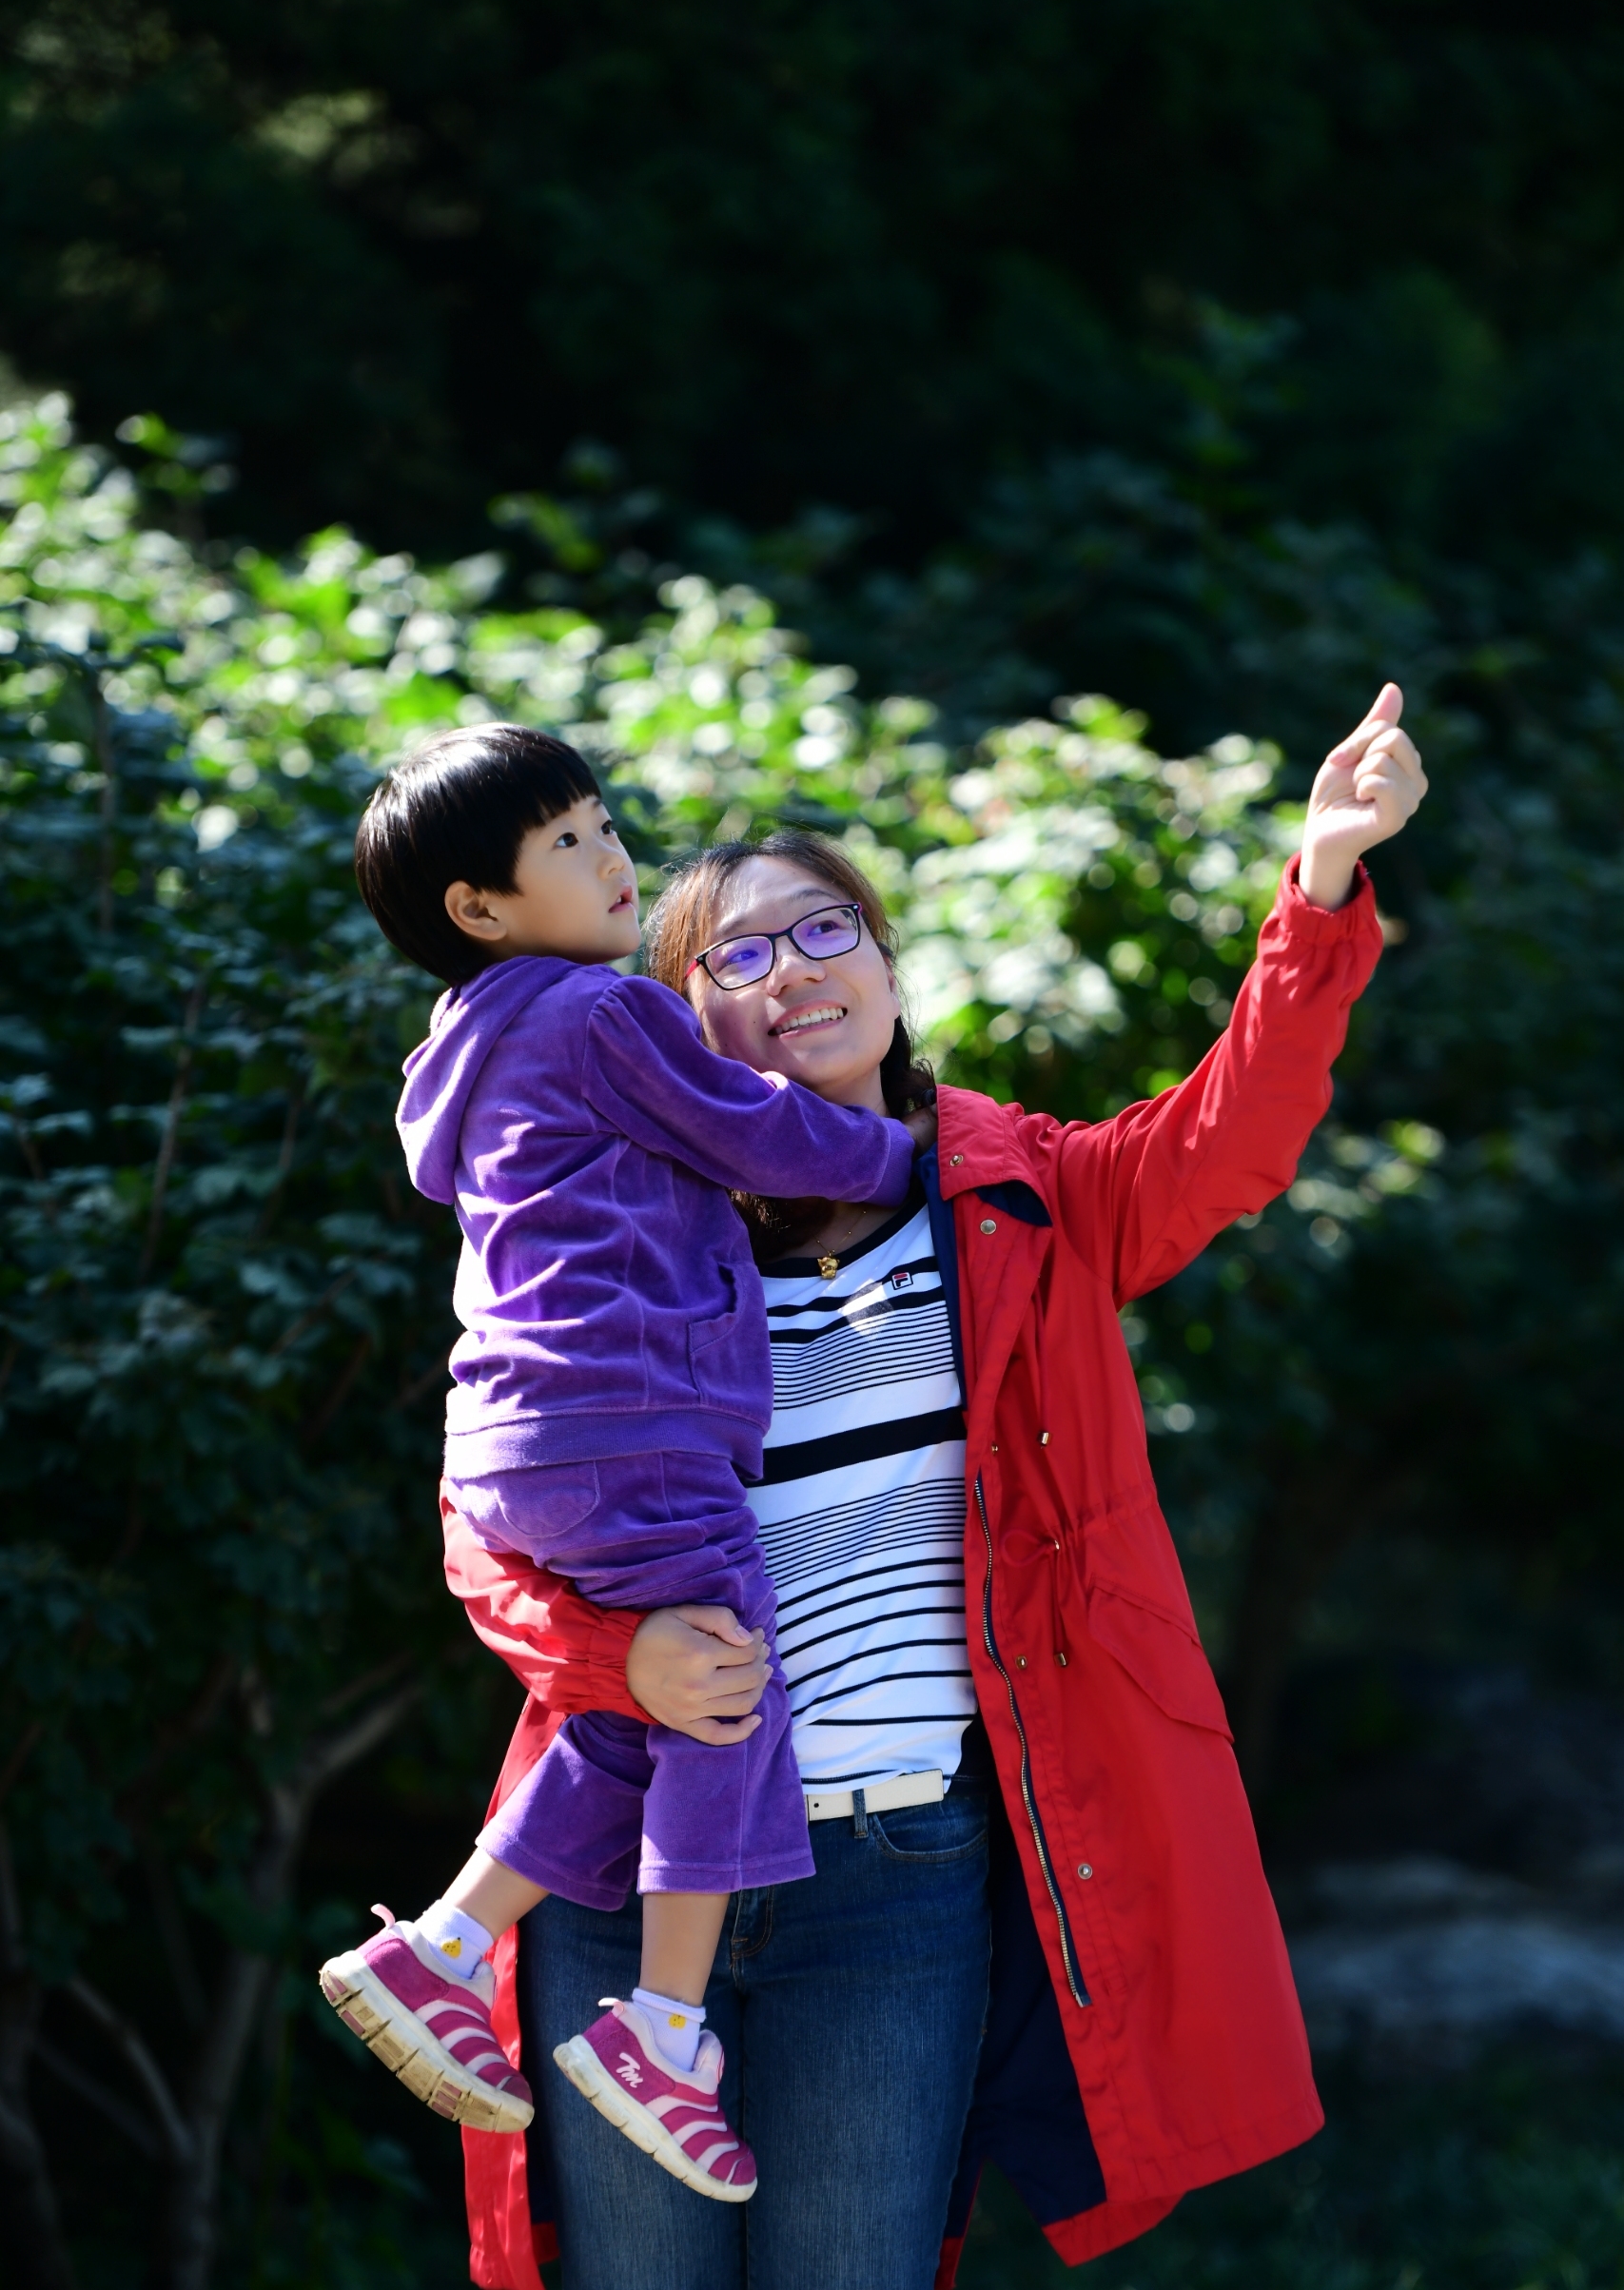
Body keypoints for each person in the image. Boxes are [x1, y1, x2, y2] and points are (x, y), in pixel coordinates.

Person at [439, 687, 1428, 2290]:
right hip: (624, 1877)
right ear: (678, 1028)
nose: (793, 971)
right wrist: (616, 1661)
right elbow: (489, 1520)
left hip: (894, 1886)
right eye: (735, 958)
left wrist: (1316, 884)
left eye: (824, 929)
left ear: (891, 969)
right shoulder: (612, 1232)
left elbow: (1229, 1138)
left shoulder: (1026, 1196)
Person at [318, 723, 931, 2201]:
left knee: (642, 1709)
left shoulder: (463, 1051)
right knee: (728, 1685)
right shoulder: (599, 1014)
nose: (616, 863)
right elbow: (755, 1131)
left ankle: (448, 1945)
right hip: (633, 1413)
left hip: (521, 1438)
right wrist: (912, 1158)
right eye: (573, 844)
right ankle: (665, 2028)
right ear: (480, 906)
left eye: (605, 824)